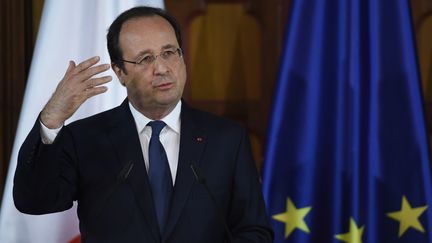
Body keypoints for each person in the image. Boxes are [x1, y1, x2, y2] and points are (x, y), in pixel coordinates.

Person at [13, 6, 273, 243]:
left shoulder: (227, 139)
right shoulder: (85, 138)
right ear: (119, 72)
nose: (161, 68)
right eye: (145, 58)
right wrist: (51, 118)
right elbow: (35, 202)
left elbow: (254, 231)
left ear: (182, 58)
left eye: (169, 52)